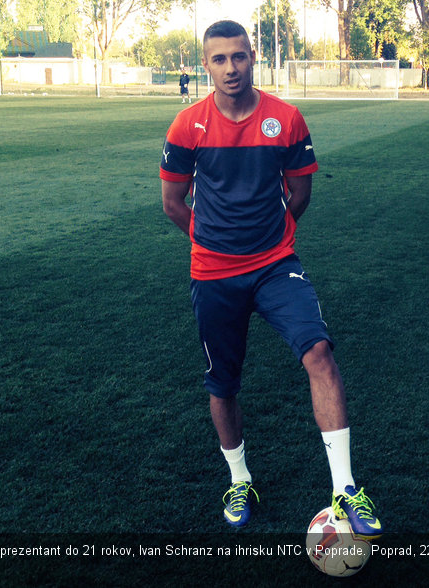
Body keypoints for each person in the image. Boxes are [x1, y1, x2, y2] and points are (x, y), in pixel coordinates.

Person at [159, 20, 382, 538]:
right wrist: (213, 240)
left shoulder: (286, 119)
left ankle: (346, 488)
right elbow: (174, 204)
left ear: (252, 56)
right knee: (223, 382)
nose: (230, 68)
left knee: (320, 354)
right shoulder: (186, 126)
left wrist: (270, 240)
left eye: (239, 56)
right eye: (219, 59)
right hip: (214, 272)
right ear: (206, 63)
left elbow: (300, 195)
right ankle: (240, 481)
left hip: (276, 265)